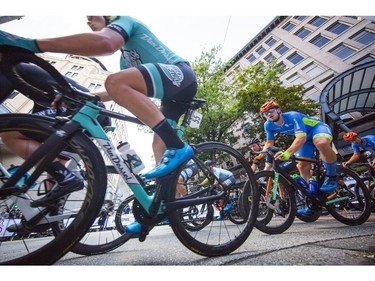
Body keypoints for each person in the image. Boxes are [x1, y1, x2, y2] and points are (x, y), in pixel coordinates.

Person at [0, 16, 197, 214]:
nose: (88, 22)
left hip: (181, 74)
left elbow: (106, 43)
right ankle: (160, 207)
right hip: (171, 98)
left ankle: (177, 146)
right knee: (158, 149)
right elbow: (118, 92)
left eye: (91, 16)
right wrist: (82, 95)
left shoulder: (127, 21)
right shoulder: (124, 60)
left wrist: (31, 44)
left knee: (114, 81)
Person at [259, 100, 338, 215]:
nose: (269, 114)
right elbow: (269, 143)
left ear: (278, 110)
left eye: (271, 111)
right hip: (305, 138)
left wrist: (287, 153)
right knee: (301, 165)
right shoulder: (268, 125)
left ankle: (331, 176)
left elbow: (300, 138)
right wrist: (259, 156)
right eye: (265, 114)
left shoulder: (292, 116)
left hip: (316, 128)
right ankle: (310, 199)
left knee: (320, 143)